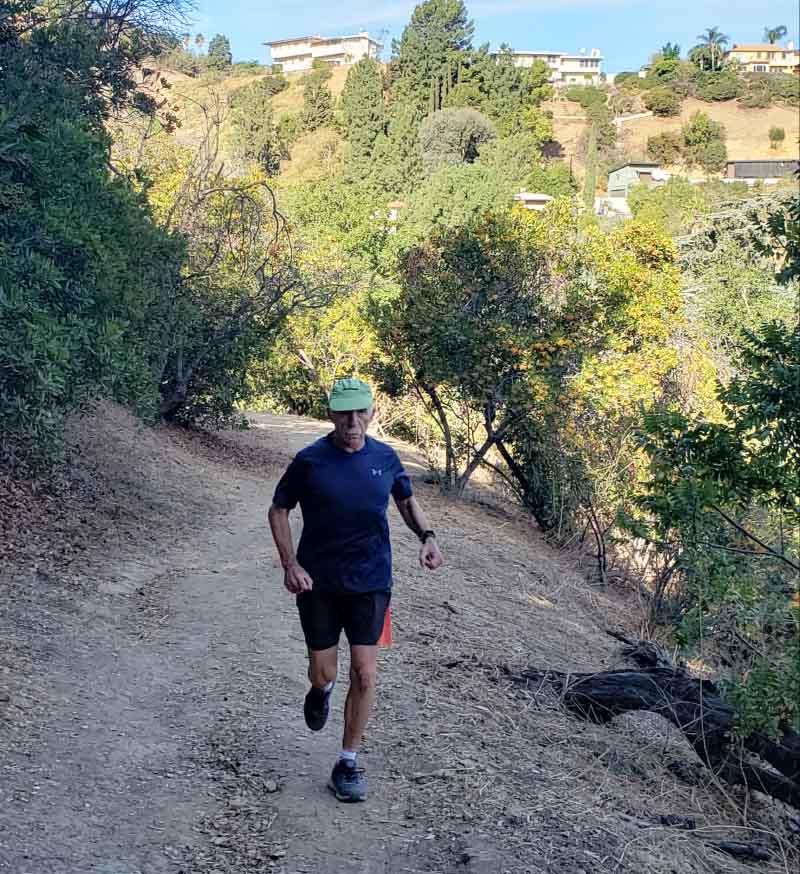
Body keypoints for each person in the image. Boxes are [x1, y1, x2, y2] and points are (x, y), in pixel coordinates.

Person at [267, 378, 443, 803]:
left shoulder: (385, 457)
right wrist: (291, 564)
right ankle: (320, 690)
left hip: (371, 582)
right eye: (344, 413)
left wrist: (428, 536)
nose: (352, 422)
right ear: (330, 414)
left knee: (365, 673)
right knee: (324, 671)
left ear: (372, 412)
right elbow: (278, 509)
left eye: (360, 412)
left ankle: (347, 761)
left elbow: (404, 500)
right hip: (319, 583)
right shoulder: (310, 461)